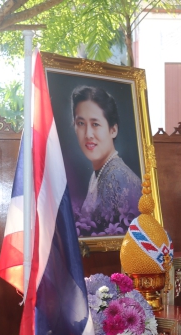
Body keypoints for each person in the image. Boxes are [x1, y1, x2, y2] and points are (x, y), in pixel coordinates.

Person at [71, 85, 141, 237]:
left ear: (113, 130)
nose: (88, 134)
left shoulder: (115, 177)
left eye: (95, 124)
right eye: (81, 123)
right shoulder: (101, 172)